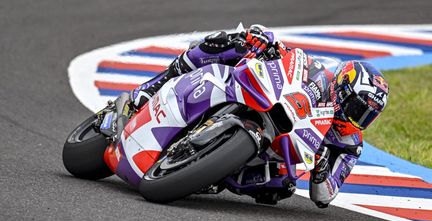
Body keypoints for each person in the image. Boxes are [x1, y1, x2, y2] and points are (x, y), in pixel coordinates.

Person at [129, 25, 389, 208]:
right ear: (341, 88)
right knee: (229, 44)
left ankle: (208, 175)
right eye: (357, 108)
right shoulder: (322, 73)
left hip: (276, 150)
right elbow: (291, 57)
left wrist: (322, 168)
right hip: (269, 98)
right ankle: (157, 84)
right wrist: (265, 41)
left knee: (281, 185)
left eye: (366, 116)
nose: (358, 118)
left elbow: (325, 195)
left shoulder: (350, 144)